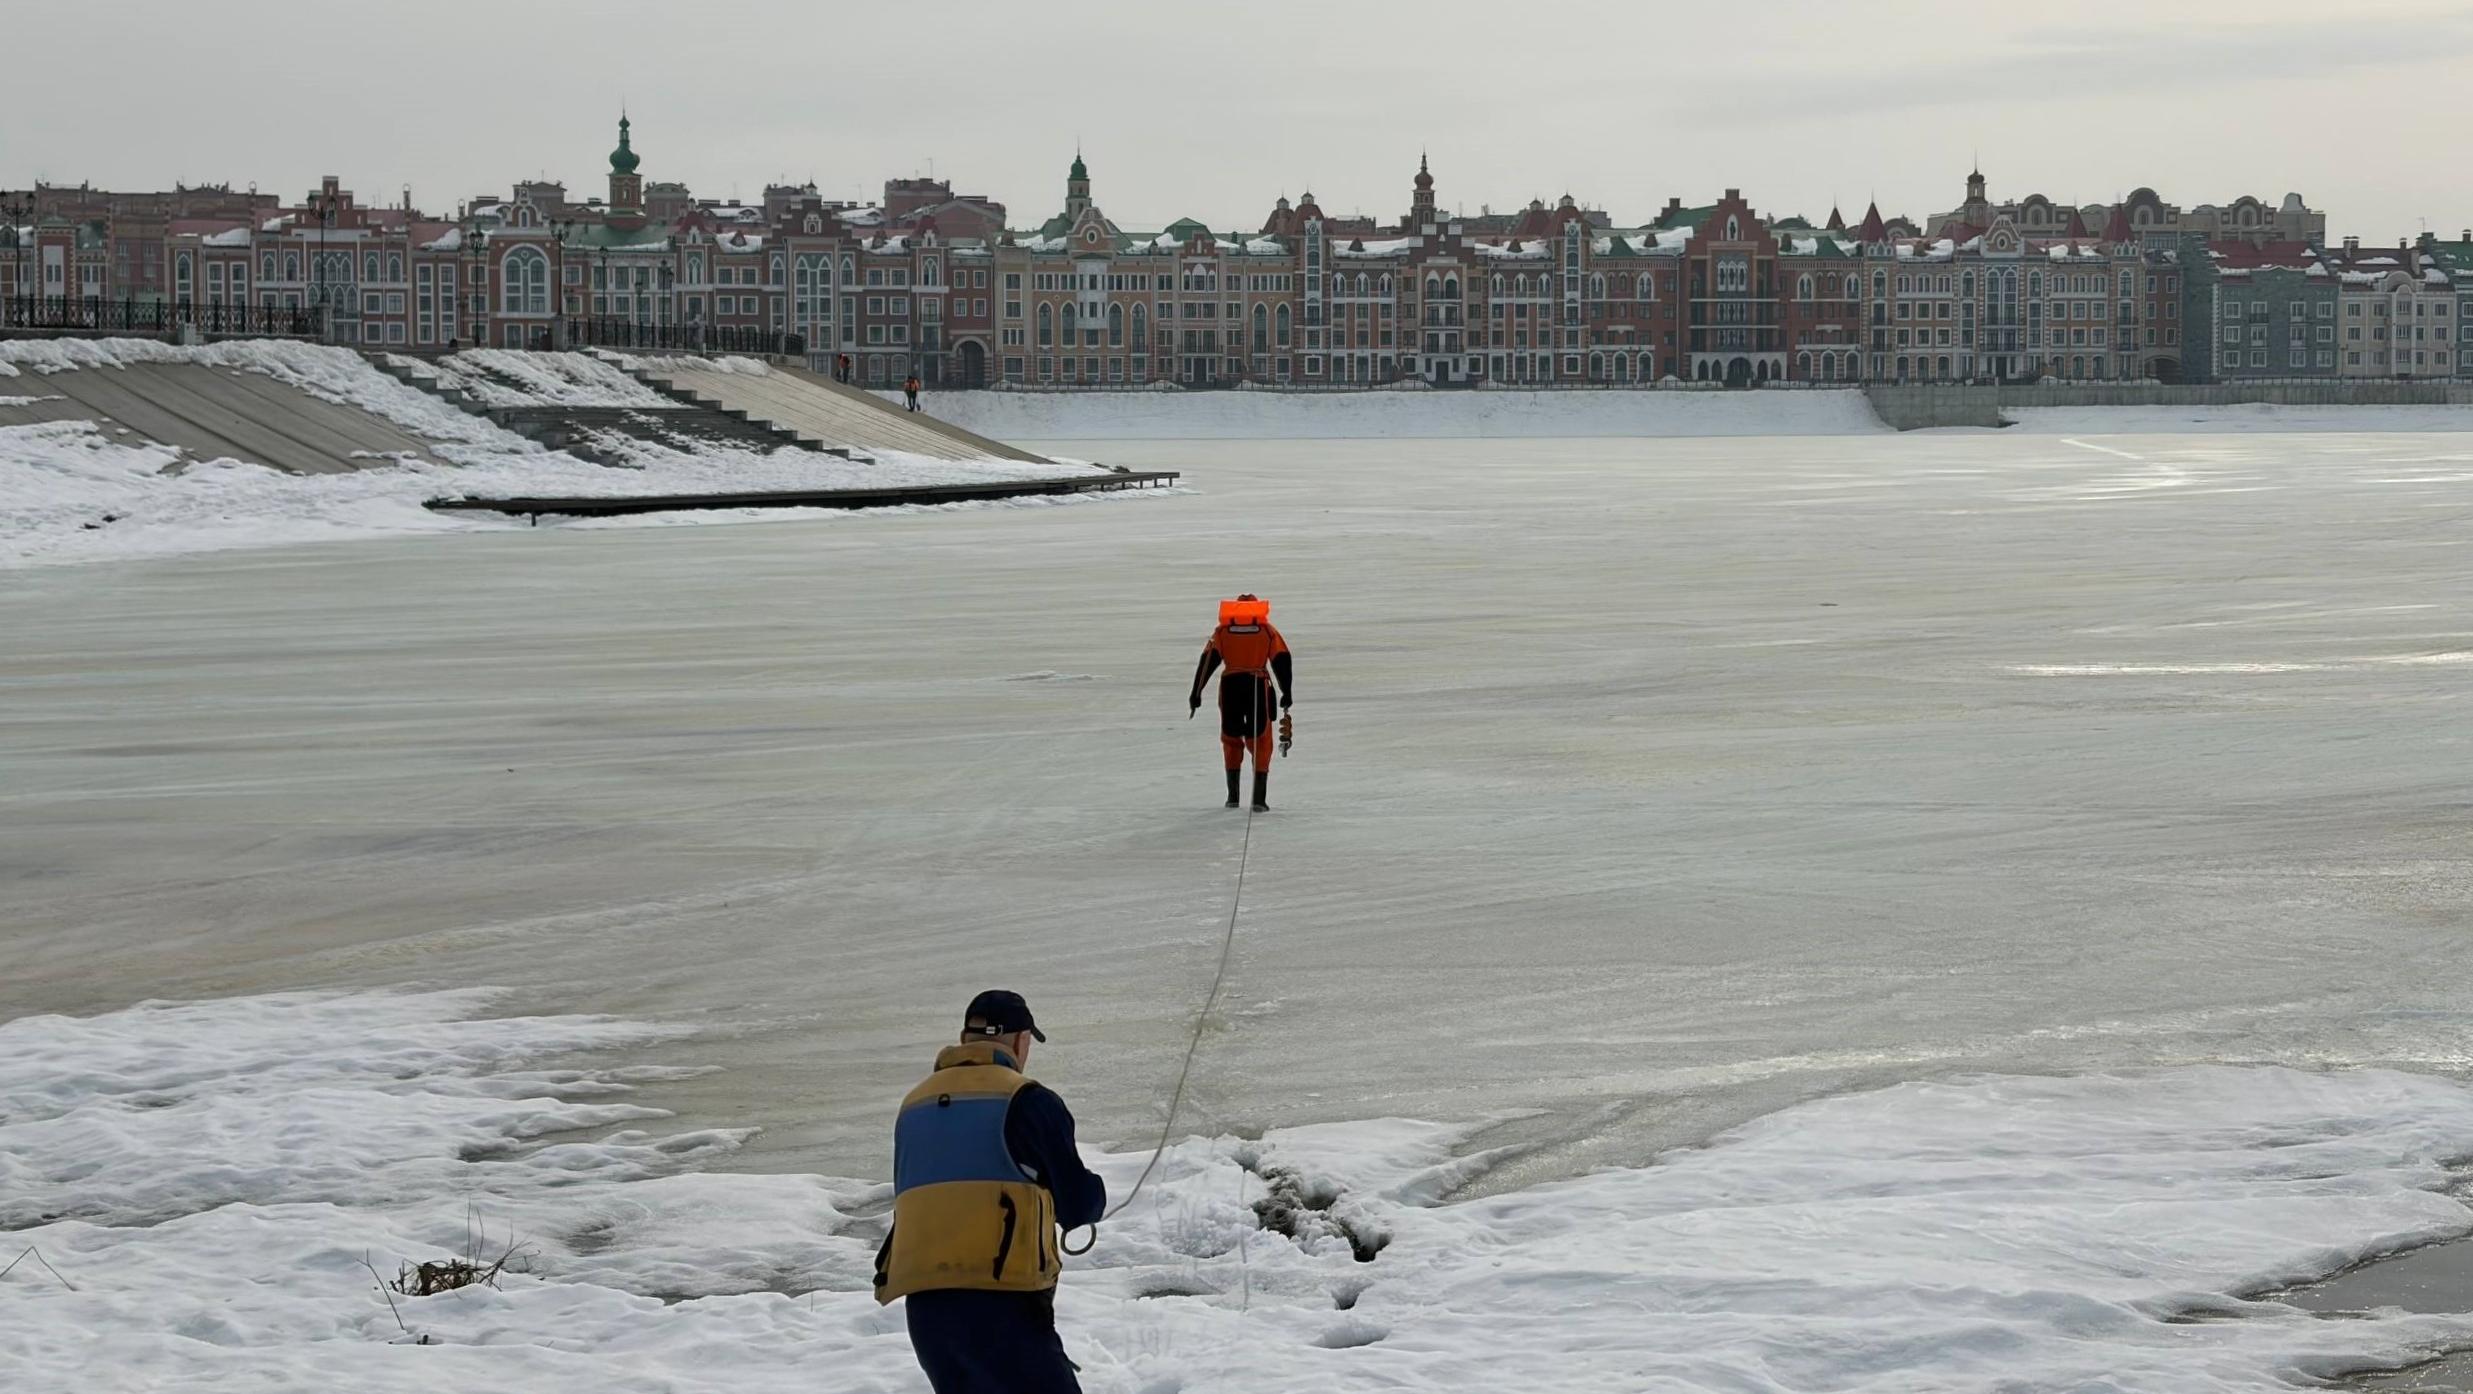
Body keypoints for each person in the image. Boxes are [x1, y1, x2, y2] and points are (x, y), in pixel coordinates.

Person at [878, 990, 1105, 1394]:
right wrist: (1094, 1196)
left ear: (966, 1039)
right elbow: (1077, 1204)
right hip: (1001, 1300)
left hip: (926, 1310)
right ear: (1020, 1041)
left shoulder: (913, 1105)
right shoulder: (1027, 1099)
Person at [1188, 594, 1293, 811]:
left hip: (1230, 688)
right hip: (1257, 686)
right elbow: (1282, 660)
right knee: (1261, 740)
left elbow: (1207, 661)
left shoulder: (1222, 632)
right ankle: (1258, 800)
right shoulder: (1267, 631)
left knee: (1231, 739)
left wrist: (1196, 693)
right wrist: (1286, 692)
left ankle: (1232, 797)